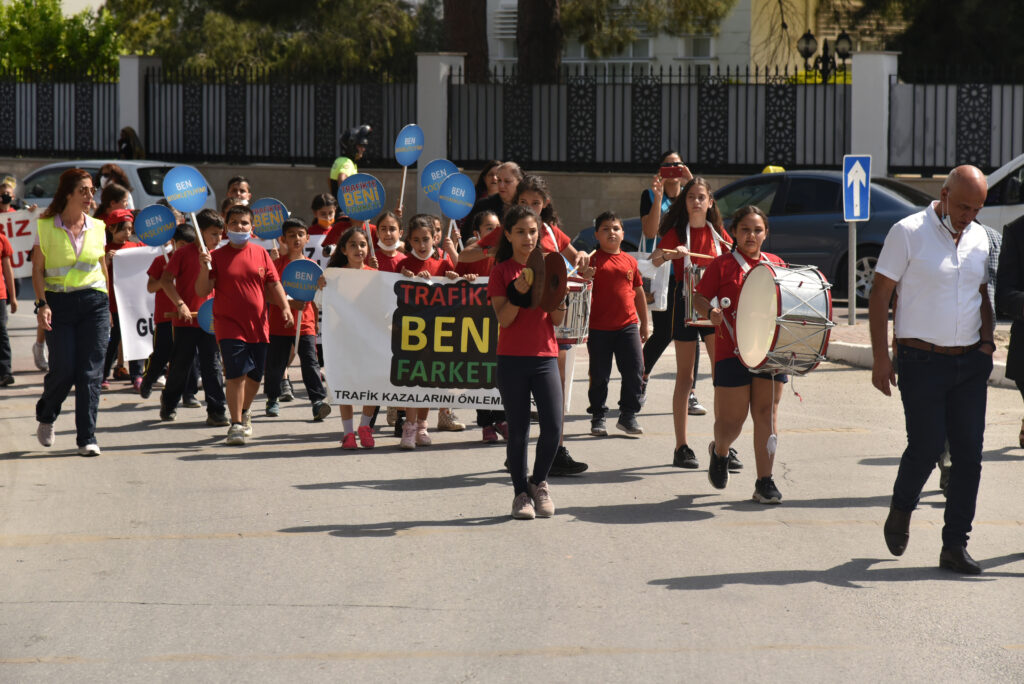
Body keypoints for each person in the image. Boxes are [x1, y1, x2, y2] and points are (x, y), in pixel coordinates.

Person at [869, 165, 993, 575]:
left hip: (970, 363)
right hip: (921, 360)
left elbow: (982, 294)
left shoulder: (980, 238)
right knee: (926, 446)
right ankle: (901, 508)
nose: (968, 216)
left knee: (969, 456)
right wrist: (881, 358)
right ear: (943, 195)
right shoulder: (907, 232)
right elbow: (880, 295)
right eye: (962, 207)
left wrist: (987, 344)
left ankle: (954, 545)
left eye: (976, 208)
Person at [693, 206, 786, 503]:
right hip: (731, 351)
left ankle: (764, 482)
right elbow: (698, 297)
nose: (751, 235)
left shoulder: (776, 264)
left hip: (769, 352)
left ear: (766, 233)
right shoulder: (722, 265)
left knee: (766, 414)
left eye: (758, 230)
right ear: (734, 232)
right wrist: (710, 311)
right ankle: (720, 450)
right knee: (732, 422)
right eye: (745, 229)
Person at [650, 177, 734, 471]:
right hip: (684, 303)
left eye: (701, 197)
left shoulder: (718, 234)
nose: (696, 202)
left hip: (712, 306)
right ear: (684, 203)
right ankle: (681, 446)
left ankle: (722, 445)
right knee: (685, 378)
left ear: (710, 202)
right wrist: (670, 253)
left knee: (721, 376)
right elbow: (654, 259)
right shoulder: (676, 233)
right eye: (691, 197)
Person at [488, 204, 565, 519]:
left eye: (533, 231)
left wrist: (558, 295)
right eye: (520, 231)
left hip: (545, 357)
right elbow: (504, 320)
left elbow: (557, 319)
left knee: (554, 426)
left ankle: (539, 482)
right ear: (508, 234)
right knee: (518, 431)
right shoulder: (501, 271)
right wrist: (518, 295)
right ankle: (520, 494)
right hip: (512, 359)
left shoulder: (550, 266)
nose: (528, 237)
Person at [196, 205, 292, 446]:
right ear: (227, 227)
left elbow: (274, 284)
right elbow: (202, 290)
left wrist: (285, 307)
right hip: (228, 325)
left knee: (255, 376)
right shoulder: (216, 257)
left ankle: (245, 411)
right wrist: (203, 267)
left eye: (244, 223)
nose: (239, 227)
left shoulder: (261, 254)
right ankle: (236, 424)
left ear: (252, 227)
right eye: (234, 222)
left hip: (258, 325)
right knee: (236, 374)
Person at [32, 169, 110, 456]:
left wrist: (109, 306)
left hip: (95, 304)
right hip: (59, 305)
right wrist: (42, 304)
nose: (90, 196)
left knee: (90, 373)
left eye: (92, 190)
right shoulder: (45, 227)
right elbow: (37, 270)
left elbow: (102, 268)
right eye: (83, 191)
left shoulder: (98, 227)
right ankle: (47, 414)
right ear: (68, 193)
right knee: (63, 370)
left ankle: (87, 438)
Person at [398, 215, 470, 449]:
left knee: (428, 379)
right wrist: (405, 277)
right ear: (409, 240)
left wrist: (453, 277)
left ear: (434, 239)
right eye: (416, 240)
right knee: (412, 379)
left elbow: (461, 283)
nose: (421, 244)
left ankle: (422, 426)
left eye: (426, 239)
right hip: (411, 332)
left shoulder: (443, 264)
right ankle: (408, 428)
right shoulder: (404, 264)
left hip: (437, 332)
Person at [639, 151, 700, 411]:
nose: (673, 169)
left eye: (677, 164)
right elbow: (651, 232)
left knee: (692, 330)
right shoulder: (650, 195)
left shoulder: (691, 195)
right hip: (664, 271)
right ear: (660, 169)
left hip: (689, 272)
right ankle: (640, 378)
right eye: (668, 165)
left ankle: (691, 392)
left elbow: (706, 215)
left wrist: (691, 181)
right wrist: (659, 196)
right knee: (663, 332)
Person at [158, 209, 229, 426]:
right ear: (200, 232)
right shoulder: (182, 254)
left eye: (220, 234)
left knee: (212, 365)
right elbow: (166, 281)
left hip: (210, 320)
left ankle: (217, 410)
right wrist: (180, 304)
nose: (218, 238)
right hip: (185, 321)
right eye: (214, 234)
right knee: (181, 365)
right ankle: (169, 402)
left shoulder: (220, 255)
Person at [586, 211, 648, 437]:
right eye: (605, 229)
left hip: (627, 326)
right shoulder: (591, 260)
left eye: (615, 228)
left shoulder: (630, 261)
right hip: (598, 328)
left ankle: (628, 415)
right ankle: (598, 416)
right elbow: (579, 290)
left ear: (623, 233)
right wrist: (585, 276)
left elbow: (638, 293)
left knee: (635, 370)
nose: (611, 232)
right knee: (599, 375)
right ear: (597, 235)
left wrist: (644, 324)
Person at [264, 218, 331, 422]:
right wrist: (289, 303)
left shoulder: (313, 267)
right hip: (279, 325)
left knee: (310, 363)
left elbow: (318, 297)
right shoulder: (276, 265)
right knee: (276, 365)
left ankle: (317, 402)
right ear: (283, 239)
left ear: (307, 238)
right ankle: (272, 398)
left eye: (300, 234)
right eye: (291, 235)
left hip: (306, 325)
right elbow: (267, 295)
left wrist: (316, 316)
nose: (296, 238)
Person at [326, 225, 379, 449]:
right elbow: (322, 303)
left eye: (363, 244)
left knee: (373, 383)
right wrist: (322, 287)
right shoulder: (334, 276)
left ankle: (365, 426)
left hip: (370, 340)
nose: (359, 249)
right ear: (344, 250)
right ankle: (348, 433)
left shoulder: (375, 275)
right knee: (345, 384)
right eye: (353, 245)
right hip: (343, 339)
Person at [457, 210, 508, 443]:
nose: (494, 232)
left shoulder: (506, 256)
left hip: (499, 324)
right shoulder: (471, 256)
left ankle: (502, 419)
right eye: (489, 228)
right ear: (477, 234)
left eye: (497, 228)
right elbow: (453, 282)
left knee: (500, 372)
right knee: (480, 373)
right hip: (475, 324)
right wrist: (464, 281)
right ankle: (486, 423)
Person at [139, 225, 199, 403]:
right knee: (162, 353)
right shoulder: (160, 261)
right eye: (181, 245)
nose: (185, 249)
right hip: (166, 316)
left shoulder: (195, 260)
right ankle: (149, 379)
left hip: (188, 315)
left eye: (189, 245)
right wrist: (166, 281)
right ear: (173, 242)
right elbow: (150, 287)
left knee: (190, 355)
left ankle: (189, 394)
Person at [4, 175, 47, 371]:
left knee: (15, 290)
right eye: (1, 194)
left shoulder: (17, 214)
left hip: (14, 268)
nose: (4, 197)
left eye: (7, 194)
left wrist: (30, 214)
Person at [100, 208, 146, 390]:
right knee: (113, 341)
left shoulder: (136, 246)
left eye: (130, 228)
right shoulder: (104, 250)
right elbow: (97, 273)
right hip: (113, 304)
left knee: (136, 339)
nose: (128, 232)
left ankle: (137, 375)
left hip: (134, 304)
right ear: (111, 229)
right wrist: (106, 260)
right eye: (123, 229)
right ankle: (103, 374)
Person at [329, 124, 371, 196]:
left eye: (364, 146)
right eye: (360, 146)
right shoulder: (347, 162)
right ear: (352, 146)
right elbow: (342, 179)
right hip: (343, 203)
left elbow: (329, 180)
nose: (363, 149)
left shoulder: (339, 160)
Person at [0, 225, 15, 386]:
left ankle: (5, 372)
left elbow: (7, 268)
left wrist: (13, 296)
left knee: (1, 331)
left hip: (0, 295)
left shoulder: (2, 239)